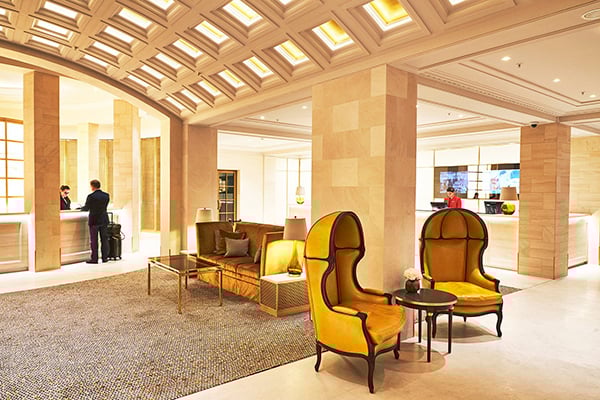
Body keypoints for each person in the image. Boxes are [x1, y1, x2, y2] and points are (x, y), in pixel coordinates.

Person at [80, 179, 110, 264]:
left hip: (94, 220)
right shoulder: (106, 195)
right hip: (104, 219)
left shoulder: (91, 196)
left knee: (94, 240)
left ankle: (94, 258)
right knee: (104, 239)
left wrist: (81, 208)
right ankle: (105, 257)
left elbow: (86, 208)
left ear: (92, 186)